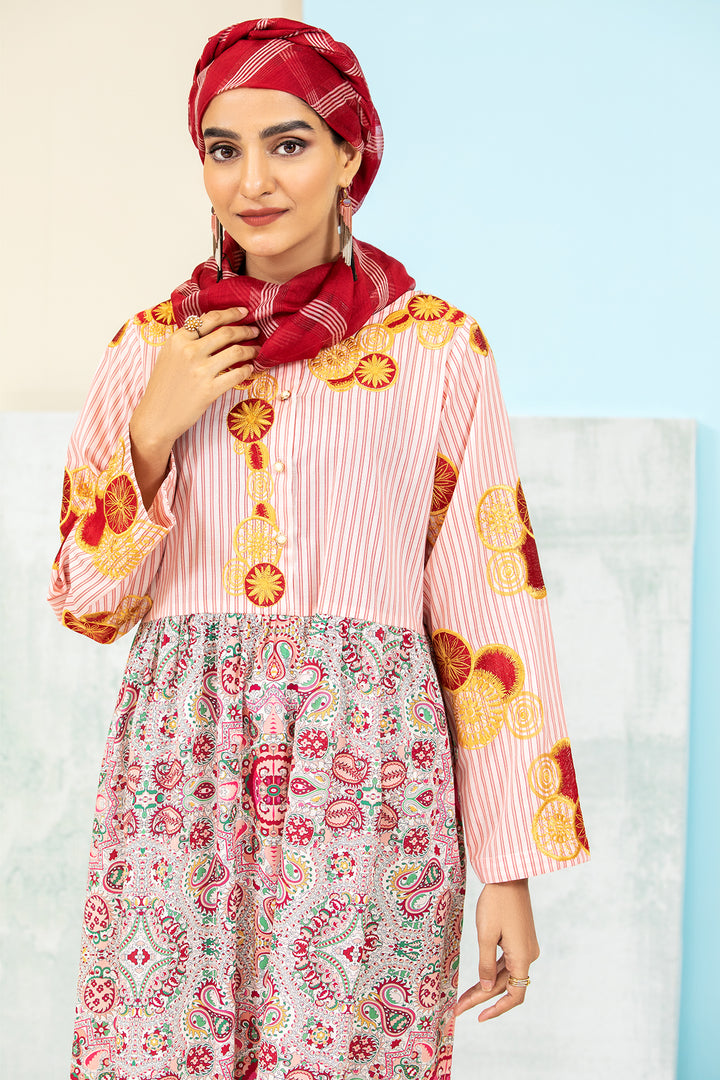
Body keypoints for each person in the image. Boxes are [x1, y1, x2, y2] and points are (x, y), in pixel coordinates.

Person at [49, 18, 589, 1080]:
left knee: (348, 1053)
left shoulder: (438, 349)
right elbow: (87, 601)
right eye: (223, 149)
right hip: (178, 770)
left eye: (289, 143)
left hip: (370, 770)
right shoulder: (153, 348)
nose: (252, 181)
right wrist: (153, 431)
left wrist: (509, 868)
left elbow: (491, 610)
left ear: (351, 155)